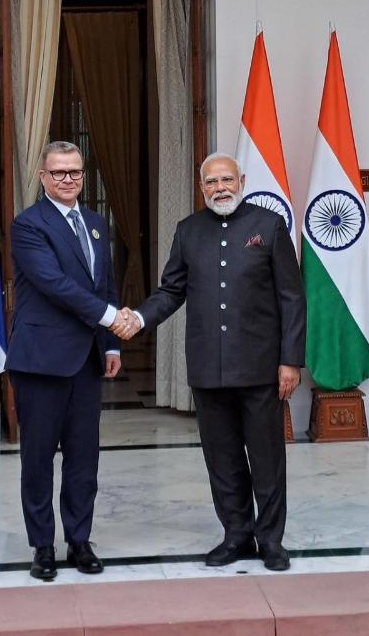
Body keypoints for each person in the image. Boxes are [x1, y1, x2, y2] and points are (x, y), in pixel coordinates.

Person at [112, 152, 305, 571]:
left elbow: (292, 298)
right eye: (211, 182)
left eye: (226, 180)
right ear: (201, 188)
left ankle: (271, 540)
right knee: (223, 459)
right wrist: (139, 318)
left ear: (242, 181)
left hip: (261, 369)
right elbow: (170, 291)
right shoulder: (188, 231)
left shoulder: (269, 226)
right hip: (208, 369)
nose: (220, 188)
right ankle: (236, 534)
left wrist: (290, 361)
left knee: (267, 460)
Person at [6, 141, 136, 580]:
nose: (68, 179)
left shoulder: (96, 223)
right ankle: (42, 546)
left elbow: (105, 285)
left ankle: (79, 540)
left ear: (83, 174)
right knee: (38, 459)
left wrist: (111, 344)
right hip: (41, 361)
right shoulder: (28, 225)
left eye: (75, 172)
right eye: (58, 172)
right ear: (42, 177)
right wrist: (111, 318)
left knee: (84, 458)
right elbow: (54, 283)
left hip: (86, 360)